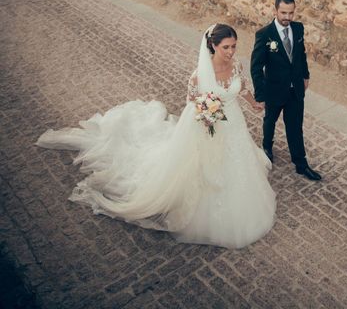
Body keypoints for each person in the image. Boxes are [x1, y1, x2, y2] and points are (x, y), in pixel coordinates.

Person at [36, 24, 276, 249]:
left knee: (238, 162)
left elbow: (242, 86)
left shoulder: (236, 66)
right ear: (213, 46)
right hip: (211, 125)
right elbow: (194, 104)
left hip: (235, 124)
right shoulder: (199, 76)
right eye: (226, 47)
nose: (231, 51)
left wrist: (254, 103)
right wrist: (210, 120)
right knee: (210, 167)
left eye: (234, 46)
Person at [250, 0, 322, 181]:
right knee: (270, 121)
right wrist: (260, 95)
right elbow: (256, 67)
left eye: (291, 13)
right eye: (283, 13)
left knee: (295, 127)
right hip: (273, 89)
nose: (287, 18)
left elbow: (301, 54)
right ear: (275, 11)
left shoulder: (298, 28)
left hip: (295, 89)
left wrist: (305, 75)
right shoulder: (264, 35)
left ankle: (301, 164)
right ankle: (267, 145)